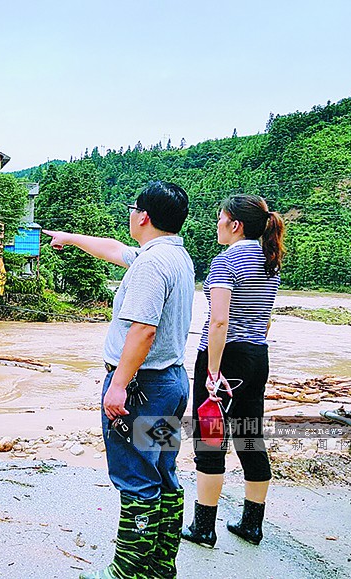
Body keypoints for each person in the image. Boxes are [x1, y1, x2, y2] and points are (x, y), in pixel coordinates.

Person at [44, 181, 194, 579]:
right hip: (171, 383)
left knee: (136, 477)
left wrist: (118, 385)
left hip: (142, 390)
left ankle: (127, 572)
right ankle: (159, 566)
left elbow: (142, 331)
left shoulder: (151, 264)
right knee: (162, 472)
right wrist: (70, 238)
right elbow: (113, 248)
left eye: (132, 208)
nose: (130, 214)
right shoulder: (174, 255)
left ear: (143, 216)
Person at [182, 195, 285, 548]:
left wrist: (212, 370)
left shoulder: (226, 261)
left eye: (219, 219)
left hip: (224, 359)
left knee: (210, 438)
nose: (217, 225)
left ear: (234, 224)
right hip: (257, 357)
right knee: (249, 436)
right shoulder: (270, 260)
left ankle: (203, 528)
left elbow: (220, 320)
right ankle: (252, 525)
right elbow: (264, 318)